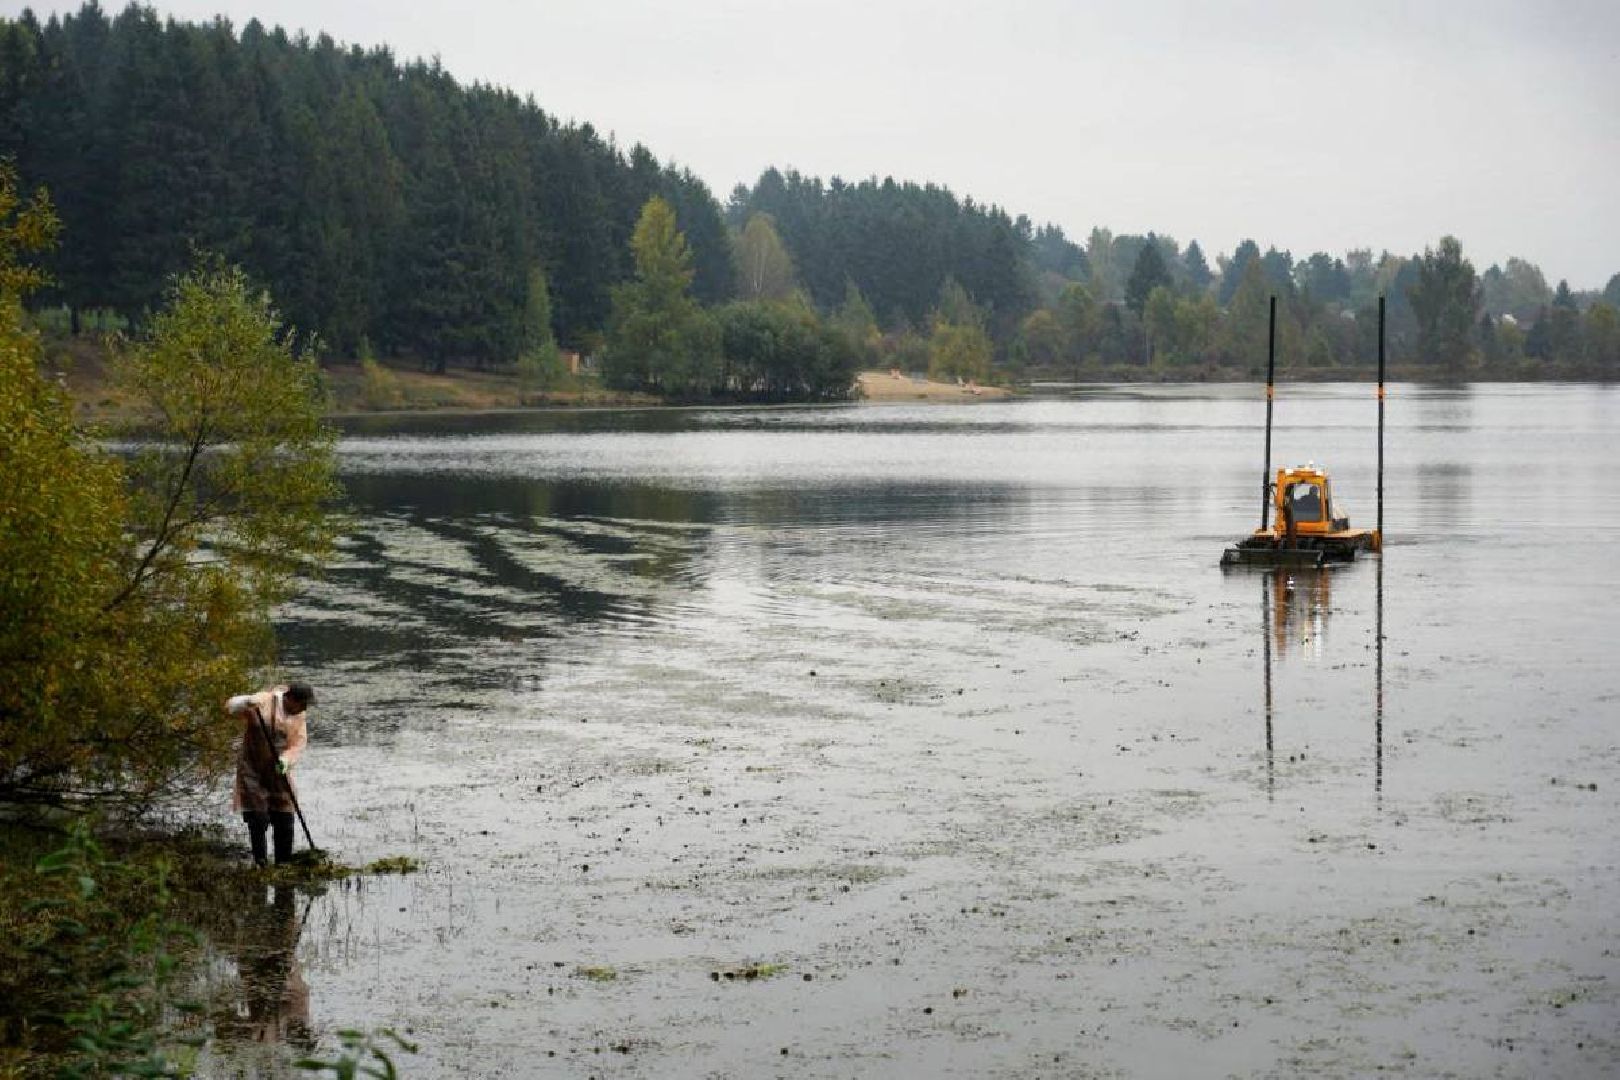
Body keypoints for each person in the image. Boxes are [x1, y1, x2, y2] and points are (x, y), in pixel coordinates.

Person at [226, 683, 314, 866]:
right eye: (303, 704)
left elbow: (298, 743)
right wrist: (246, 701)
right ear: (290, 699)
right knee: (258, 818)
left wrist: (286, 761)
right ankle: (261, 862)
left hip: (278, 769)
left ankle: (283, 862)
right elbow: (230, 707)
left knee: (285, 817)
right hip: (252, 768)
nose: (305, 708)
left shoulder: (299, 716)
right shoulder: (263, 701)